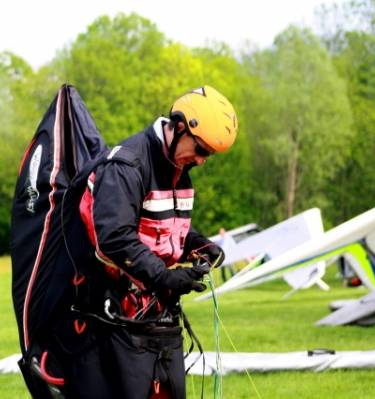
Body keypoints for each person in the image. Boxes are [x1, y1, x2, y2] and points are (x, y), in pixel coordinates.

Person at [44, 86, 237, 399]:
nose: (202, 161)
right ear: (178, 127)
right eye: (201, 150)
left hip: (155, 318)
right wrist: (165, 277)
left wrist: (202, 246)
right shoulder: (127, 166)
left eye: (209, 156)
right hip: (113, 318)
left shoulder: (178, 169)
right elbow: (115, 238)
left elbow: (167, 230)